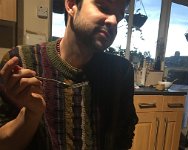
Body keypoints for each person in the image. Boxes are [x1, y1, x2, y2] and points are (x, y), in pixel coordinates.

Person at [0, 0, 138, 149]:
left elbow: (124, 137)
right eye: (102, 7)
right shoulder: (21, 63)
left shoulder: (120, 72)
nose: (113, 20)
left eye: (119, 16)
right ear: (71, 5)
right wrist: (31, 115)